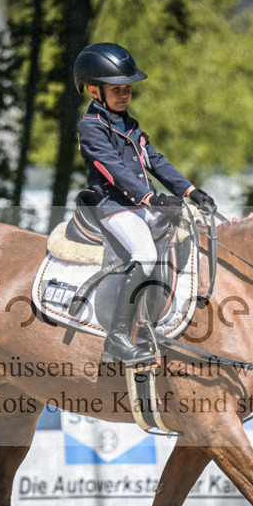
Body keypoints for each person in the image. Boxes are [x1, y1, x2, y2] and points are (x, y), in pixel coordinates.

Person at [74, 42, 216, 365]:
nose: (125, 95)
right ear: (95, 92)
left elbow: (156, 161)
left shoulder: (131, 125)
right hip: (113, 208)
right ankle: (118, 337)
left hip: (140, 207)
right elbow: (115, 170)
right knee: (145, 253)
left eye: (128, 89)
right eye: (117, 89)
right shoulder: (91, 127)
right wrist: (151, 197)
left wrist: (190, 191)